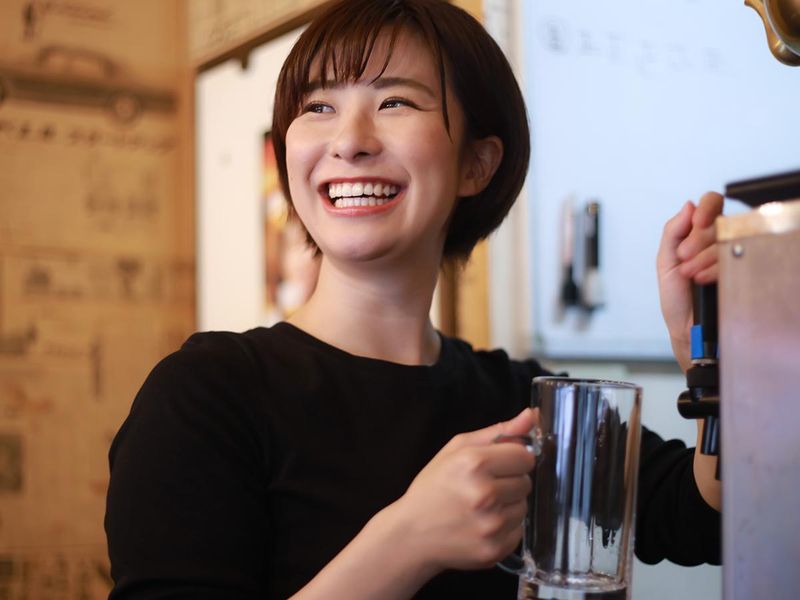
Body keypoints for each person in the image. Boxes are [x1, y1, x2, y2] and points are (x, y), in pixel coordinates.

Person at [105, 1, 722, 598]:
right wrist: (408, 540)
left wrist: (710, 353)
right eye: (318, 106)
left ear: (477, 164)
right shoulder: (204, 395)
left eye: (394, 101)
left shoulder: (522, 403)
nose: (349, 141)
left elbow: (711, 516)